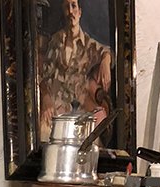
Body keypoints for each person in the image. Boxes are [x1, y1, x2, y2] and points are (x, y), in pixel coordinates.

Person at [37, 0, 113, 140]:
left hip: (79, 111)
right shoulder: (55, 41)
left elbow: (106, 51)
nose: (71, 11)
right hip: (55, 108)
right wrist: (46, 98)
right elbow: (43, 75)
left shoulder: (88, 44)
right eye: (67, 7)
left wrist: (105, 61)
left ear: (80, 12)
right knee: (43, 134)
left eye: (73, 6)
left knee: (92, 142)